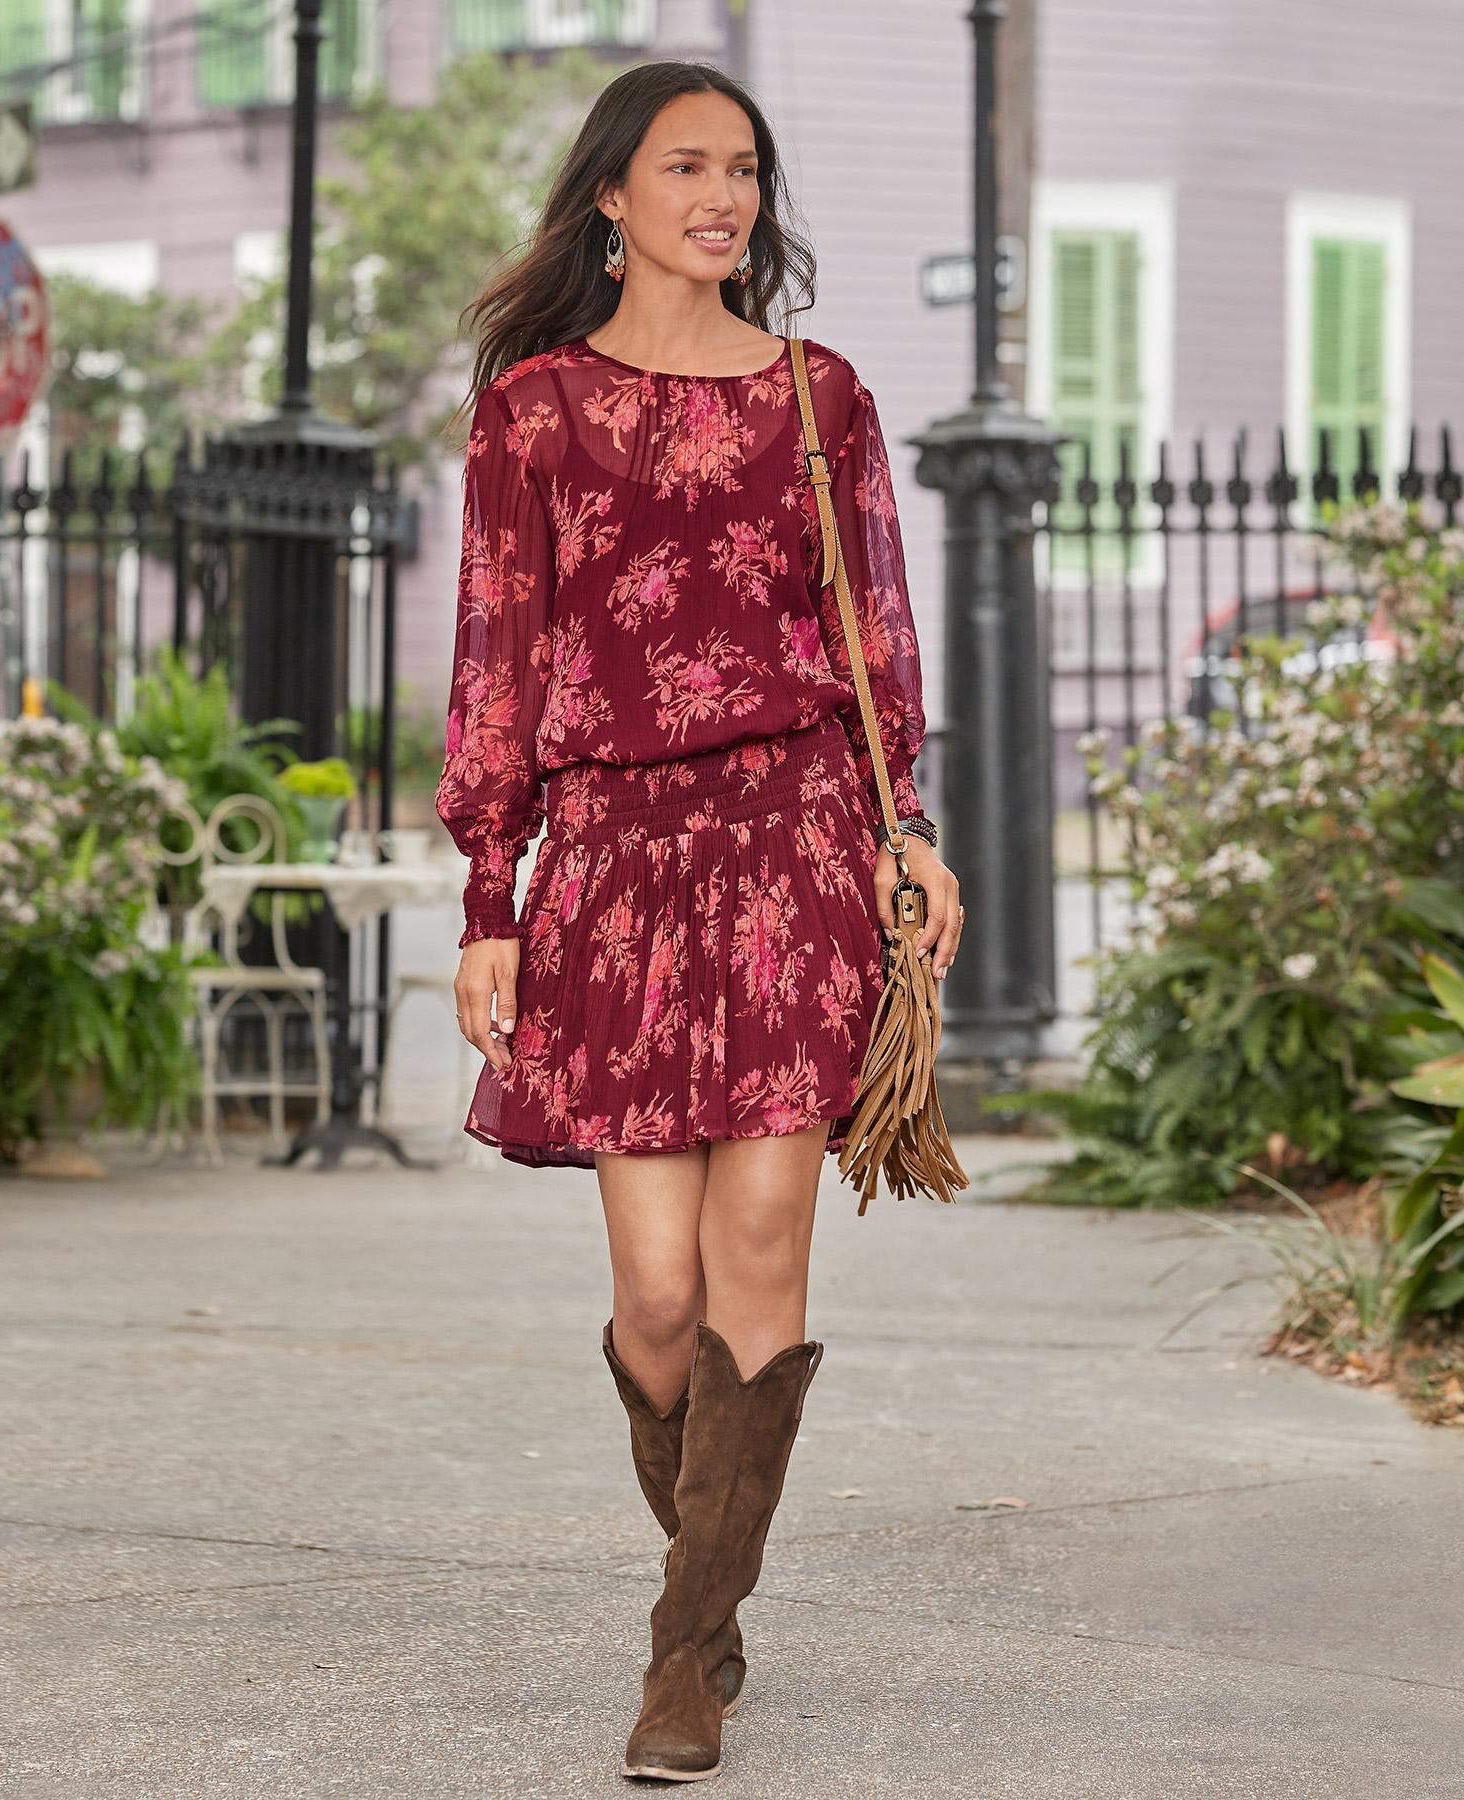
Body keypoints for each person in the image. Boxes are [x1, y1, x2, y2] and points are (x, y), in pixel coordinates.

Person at [433, 59, 963, 1784]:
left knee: (758, 1259)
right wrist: (490, 892)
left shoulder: (821, 397)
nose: (723, 197)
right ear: (612, 194)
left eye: (743, 169)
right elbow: (498, 655)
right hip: (612, 864)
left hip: (795, 844)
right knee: (658, 1301)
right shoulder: (532, 413)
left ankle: (685, 1661)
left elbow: (873, 636)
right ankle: (710, 1602)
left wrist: (905, 834)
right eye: (685, 167)